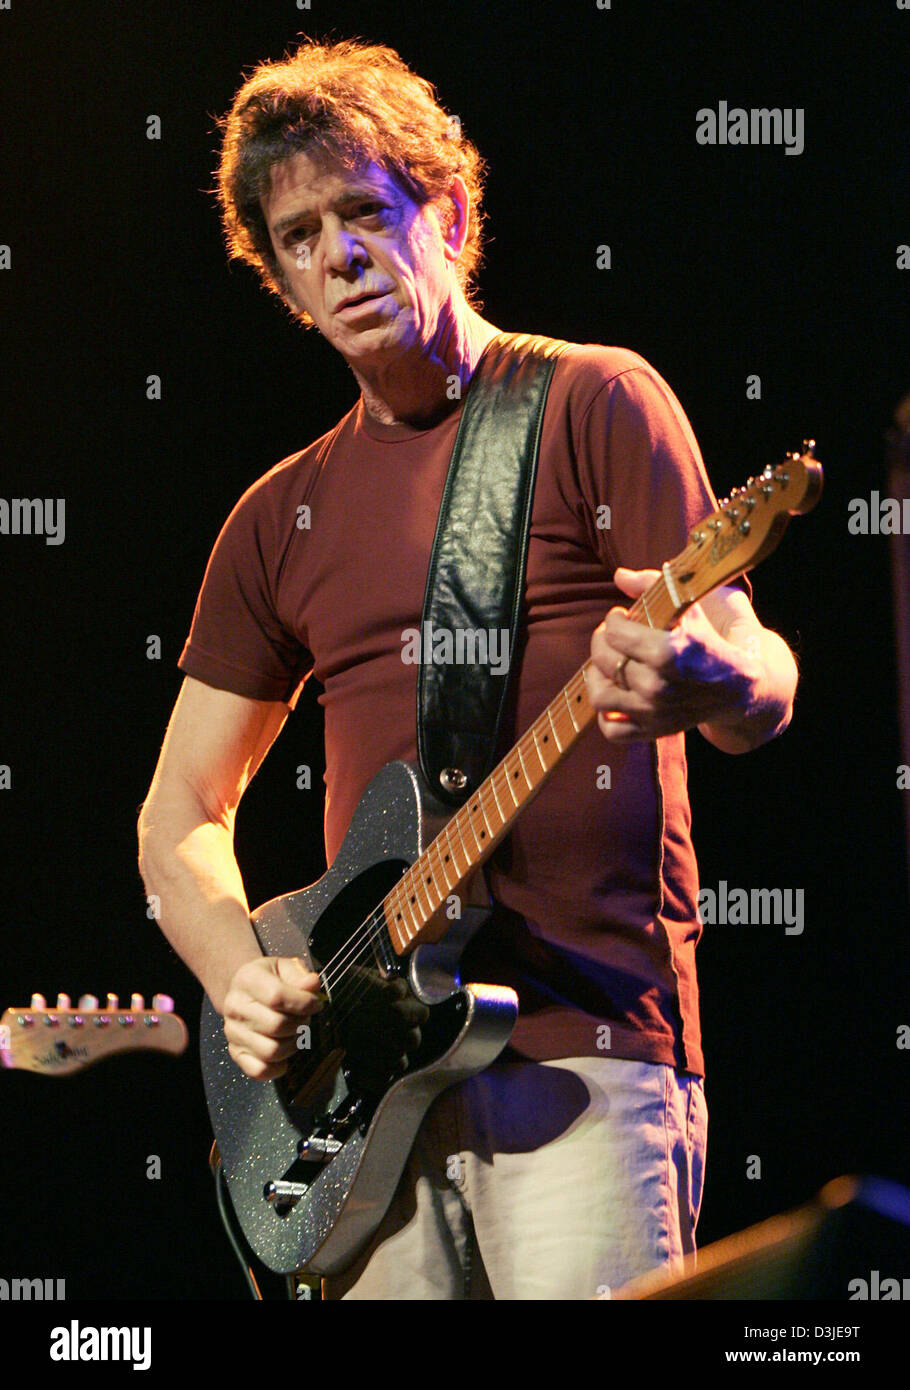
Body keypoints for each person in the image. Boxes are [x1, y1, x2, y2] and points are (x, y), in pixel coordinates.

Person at [137, 37, 799, 1300]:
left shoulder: (596, 402)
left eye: (365, 213)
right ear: (277, 276)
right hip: (356, 1097)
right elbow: (176, 818)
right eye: (297, 236)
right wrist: (241, 976)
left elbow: (754, 677)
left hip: (583, 1058)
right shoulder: (278, 519)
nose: (337, 255)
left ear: (446, 211)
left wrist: (712, 687)